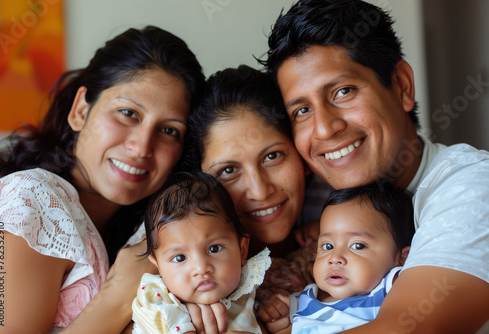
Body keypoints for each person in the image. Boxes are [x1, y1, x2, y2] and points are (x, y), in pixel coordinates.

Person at [261, 0, 489, 332]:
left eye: (343, 91)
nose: (324, 129)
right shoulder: (306, 196)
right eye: (302, 111)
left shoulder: (470, 185)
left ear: (401, 86)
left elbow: (401, 328)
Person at [0, 26, 205, 333]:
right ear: (80, 111)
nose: (142, 147)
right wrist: (117, 296)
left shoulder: (143, 233)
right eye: (128, 113)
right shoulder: (31, 201)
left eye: (169, 130)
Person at [184, 65, 330, 333]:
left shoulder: (349, 215)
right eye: (228, 171)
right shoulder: (181, 274)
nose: (260, 191)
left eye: (272, 156)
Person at [258, 182, 414, 333]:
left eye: (358, 246)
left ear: (403, 258)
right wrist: (277, 316)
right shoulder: (299, 302)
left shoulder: (390, 289)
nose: (335, 258)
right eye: (328, 246)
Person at [131, 171, 271, 334]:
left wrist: (272, 308)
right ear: (158, 265)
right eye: (180, 258)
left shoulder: (248, 286)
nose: (201, 268)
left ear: (242, 251)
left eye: (214, 249)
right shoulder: (157, 296)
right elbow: (151, 317)